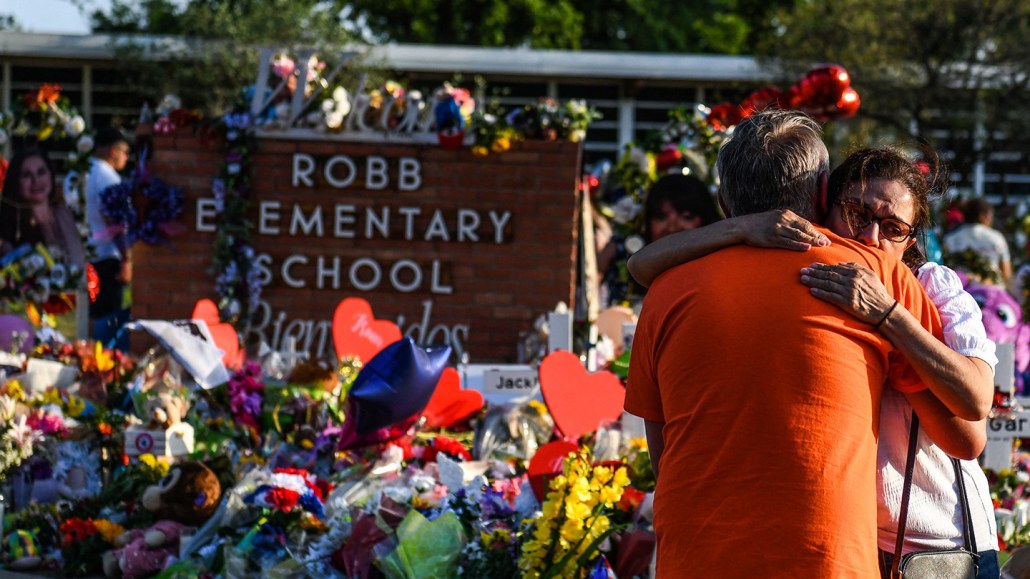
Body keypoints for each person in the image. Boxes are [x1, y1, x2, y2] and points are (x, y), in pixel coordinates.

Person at [629, 146, 999, 578]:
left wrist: (887, 316)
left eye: (894, 228)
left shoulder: (917, 286)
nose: (872, 237)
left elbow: (971, 427)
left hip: (935, 543)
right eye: (857, 214)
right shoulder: (831, 273)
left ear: (911, 240)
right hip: (859, 540)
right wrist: (741, 228)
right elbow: (641, 265)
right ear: (826, 203)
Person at [86, 126, 132, 347]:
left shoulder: (78, 172)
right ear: (113, 150)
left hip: (84, 253)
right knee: (105, 317)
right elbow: (113, 220)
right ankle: (98, 364)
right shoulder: (108, 176)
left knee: (89, 315)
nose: (127, 157)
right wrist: (126, 258)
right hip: (107, 255)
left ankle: (85, 358)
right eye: (125, 151)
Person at [0, 147, 85, 266]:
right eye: (27, 175)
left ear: (50, 175)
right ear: (16, 181)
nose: (36, 181)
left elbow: (77, 262)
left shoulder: (62, 213)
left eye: (41, 172)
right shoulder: (7, 221)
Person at [943, 197, 1012, 286]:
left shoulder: (950, 239)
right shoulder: (997, 238)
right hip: (992, 293)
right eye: (990, 216)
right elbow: (1006, 274)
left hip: (961, 293)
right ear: (983, 216)